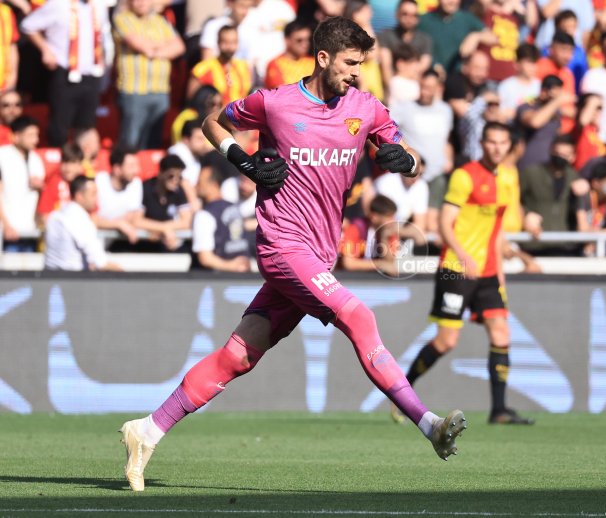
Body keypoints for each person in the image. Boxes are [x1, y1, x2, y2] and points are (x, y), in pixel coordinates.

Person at [118, 16, 466, 493]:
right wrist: (243, 161)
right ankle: (429, 425)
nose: (357, 73)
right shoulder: (276, 102)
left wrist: (404, 160)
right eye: (350, 63)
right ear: (323, 58)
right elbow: (212, 122)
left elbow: (410, 158)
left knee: (237, 356)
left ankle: (147, 429)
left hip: (318, 255)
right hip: (282, 244)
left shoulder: (365, 107)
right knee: (359, 316)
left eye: (361, 64)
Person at [399, 121, 532, 425]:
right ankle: (402, 392)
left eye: (502, 143)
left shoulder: (508, 178)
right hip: (456, 269)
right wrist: (462, 255)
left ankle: (499, 410)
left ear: (509, 146)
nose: (497, 148)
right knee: (447, 341)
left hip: (487, 271)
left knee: (501, 333)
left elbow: (496, 229)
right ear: (482, 144)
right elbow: (444, 223)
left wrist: (500, 268)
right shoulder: (464, 175)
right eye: (491, 142)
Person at [21, 0, 112, 148]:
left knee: (87, 126)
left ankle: (82, 160)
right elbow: (28, 26)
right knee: (60, 126)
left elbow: (104, 34)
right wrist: (45, 50)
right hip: (65, 73)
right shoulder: (58, 4)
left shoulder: (98, 6)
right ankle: (60, 157)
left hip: (91, 73)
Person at [113, 0, 186, 149]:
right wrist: (164, 45)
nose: (141, 2)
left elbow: (179, 47)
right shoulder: (122, 19)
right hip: (133, 91)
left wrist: (154, 51)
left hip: (160, 90)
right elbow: (142, 46)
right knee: (130, 143)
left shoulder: (161, 21)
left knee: (153, 144)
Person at [44, 175, 122, 271]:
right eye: (93, 194)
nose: (97, 199)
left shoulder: (55, 215)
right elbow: (101, 263)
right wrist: (125, 274)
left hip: (50, 276)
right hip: (73, 277)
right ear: (79, 196)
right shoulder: (81, 220)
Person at [191, 153, 251, 271]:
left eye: (199, 182)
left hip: (217, 278)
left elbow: (205, 258)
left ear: (213, 185)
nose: (196, 186)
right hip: (243, 275)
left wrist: (230, 266)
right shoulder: (235, 208)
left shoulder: (204, 215)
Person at [391, 70, 453, 181]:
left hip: (438, 174)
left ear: (438, 88)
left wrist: (449, 160)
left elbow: (446, 141)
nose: (424, 92)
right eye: (422, 87)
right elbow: (382, 127)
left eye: (429, 88)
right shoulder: (405, 107)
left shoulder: (446, 110)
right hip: (413, 175)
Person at [0, 115, 44, 251]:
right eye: (30, 135)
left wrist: (41, 187)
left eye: (36, 135)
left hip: (30, 231)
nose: (35, 140)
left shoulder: (36, 159)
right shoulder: (2, 156)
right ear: (16, 136)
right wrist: (5, 225)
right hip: (6, 232)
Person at [133, 154, 193, 251]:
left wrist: (163, 228)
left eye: (179, 177)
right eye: (171, 176)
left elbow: (187, 222)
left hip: (166, 244)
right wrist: (164, 229)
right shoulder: (145, 188)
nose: (175, 180)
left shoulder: (179, 191)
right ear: (161, 173)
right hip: (142, 245)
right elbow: (136, 221)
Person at [338, 194, 402, 274]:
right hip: (349, 277)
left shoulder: (389, 232)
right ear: (374, 217)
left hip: (373, 278)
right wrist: (379, 264)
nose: (393, 221)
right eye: (389, 217)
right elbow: (348, 264)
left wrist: (384, 239)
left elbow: (390, 263)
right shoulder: (356, 228)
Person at [187, 25, 252, 105]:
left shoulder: (243, 67)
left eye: (233, 42)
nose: (229, 47)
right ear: (218, 42)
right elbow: (191, 99)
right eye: (225, 42)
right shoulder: (203, 68)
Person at [94, 145, 144, 245]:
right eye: (131, 166)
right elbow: (91, 218)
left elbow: (133, 216)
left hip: (117, 243)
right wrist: (118, 224)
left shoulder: (136, 183)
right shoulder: (98, 181)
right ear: (117, 169)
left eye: (136, 166)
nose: (136, 171)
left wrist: (108, 223)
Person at [35, 142, 85, 226]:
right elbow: (44, 215)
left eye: (72, 162)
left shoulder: (86, 183)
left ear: (80, 165)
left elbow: (93, 212)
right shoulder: (54, 182)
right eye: (65, 162)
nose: (68, 168)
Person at [263, 20, 314, 89]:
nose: (305, 44)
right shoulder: (275, 64)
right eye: (299, 40)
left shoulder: (313, 62)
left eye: (307, 40)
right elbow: (280, 91)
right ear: (287, 40)